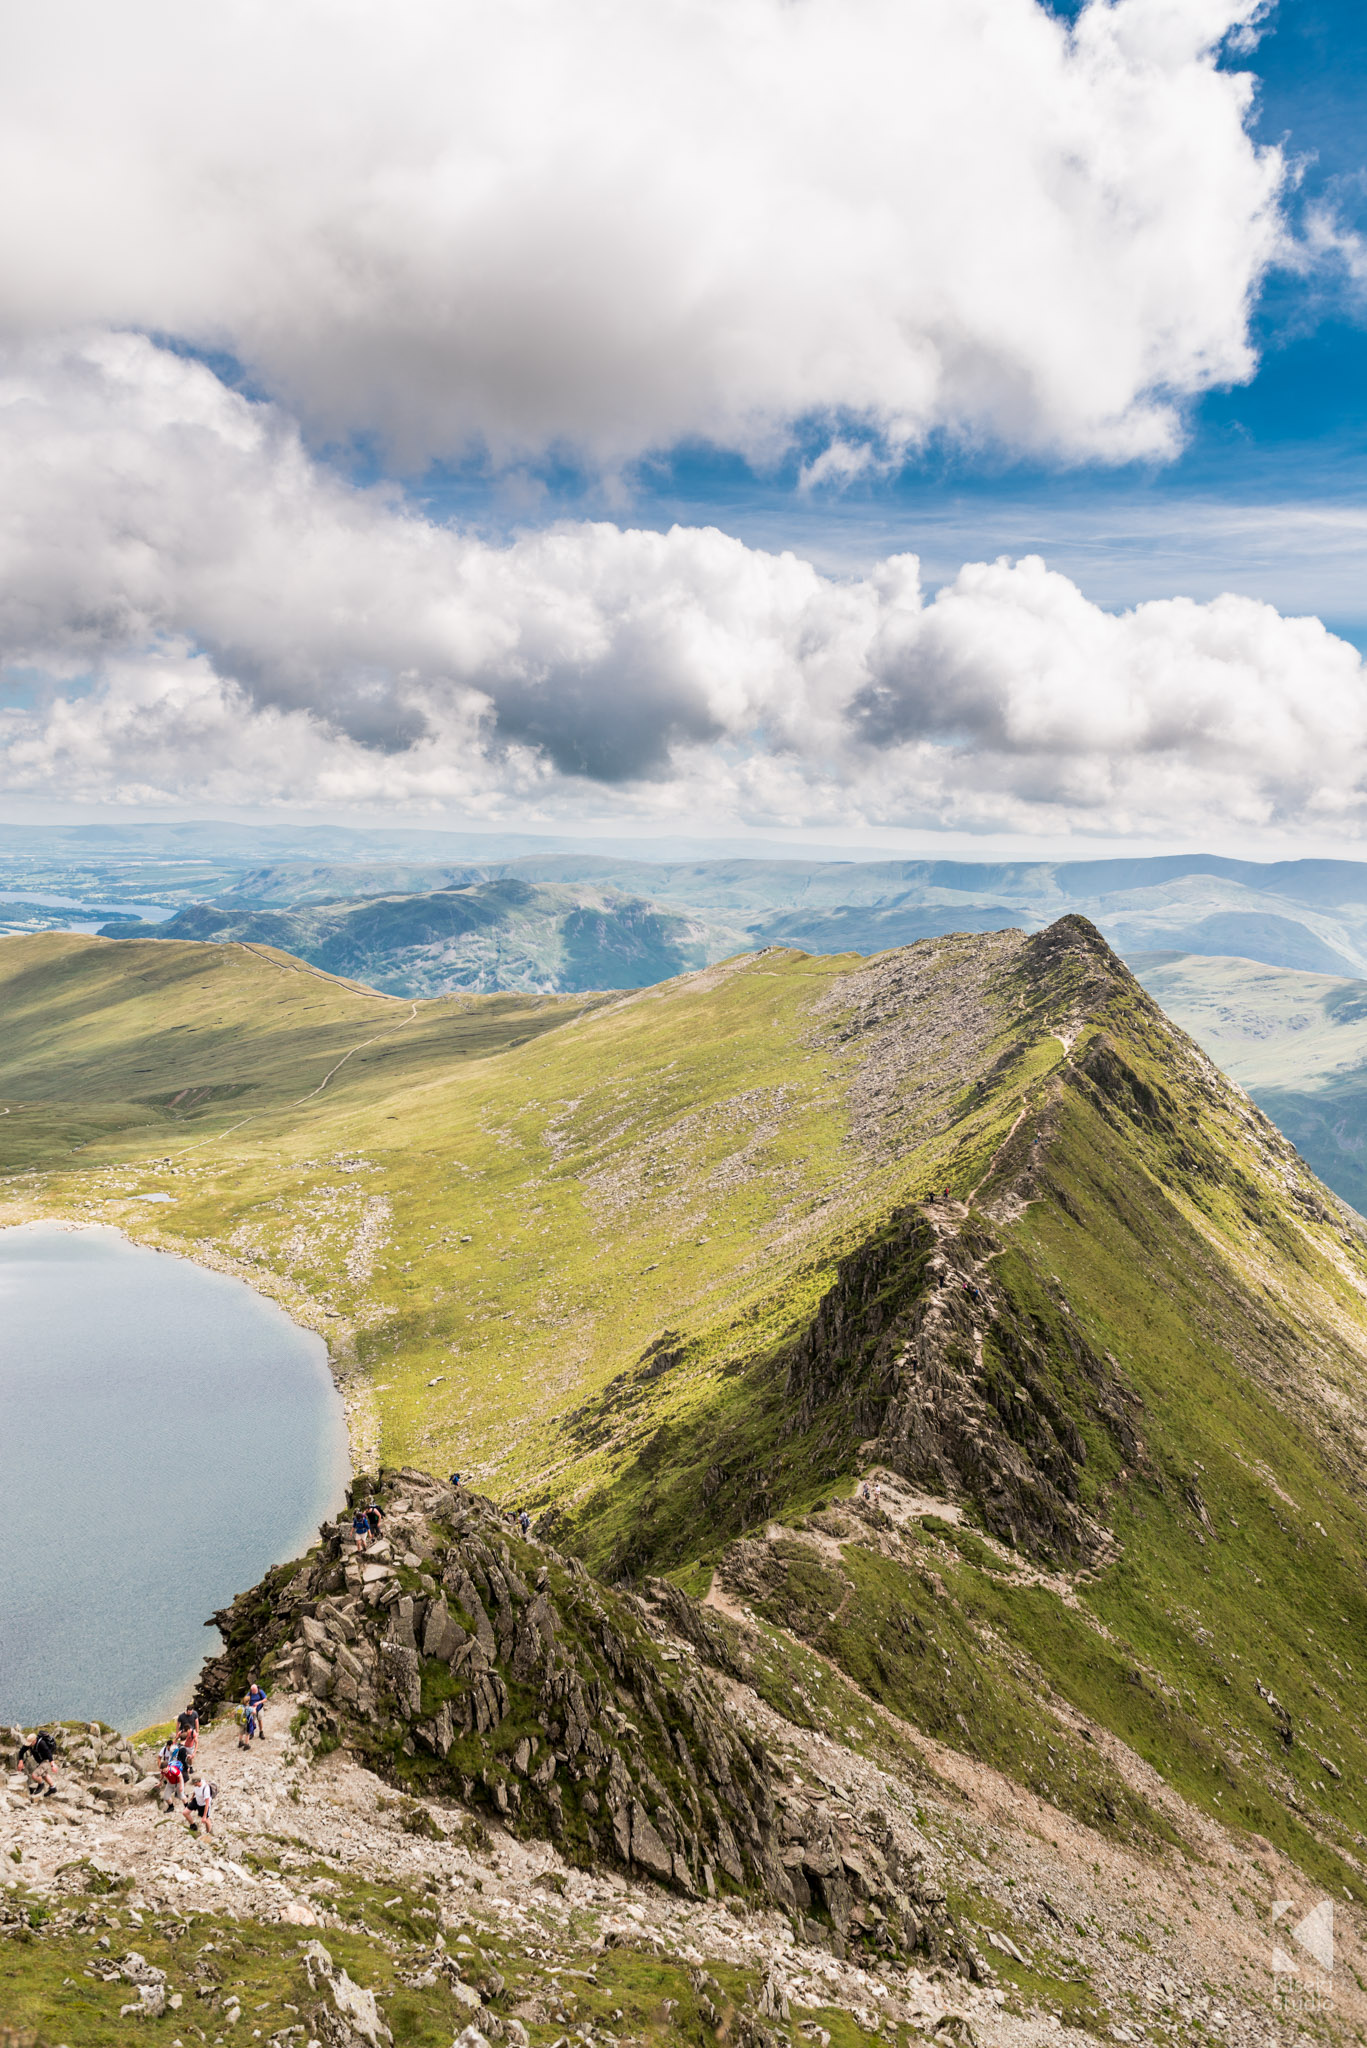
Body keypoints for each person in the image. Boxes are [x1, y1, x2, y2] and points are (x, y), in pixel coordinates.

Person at [19, 1728, 58, 1797]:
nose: (29, 1745)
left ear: (34, 1741)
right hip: (41, 1761)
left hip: (45, 1761)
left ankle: (41, 1784)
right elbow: (22, 1751)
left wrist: (52, 1765)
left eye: (30, 1743)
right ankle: (53, 1787)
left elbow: (49, 1753)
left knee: (35, 1775)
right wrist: (20, 1761)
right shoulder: (30, 1744)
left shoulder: (41, 1743)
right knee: (44, 1775)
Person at [159, 1741, 186, 1809]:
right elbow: (162, 1775)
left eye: (165, 1770)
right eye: (163, 1770)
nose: (164, 1771)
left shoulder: (173, 1770)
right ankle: (171, 1807)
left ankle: (187, 1807)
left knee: (181, 1796)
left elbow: (180, 1776)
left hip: (177, 1783)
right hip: (170, 1783)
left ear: (167, 1767)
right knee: (166, 1796)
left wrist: (181, 1786)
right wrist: (160, 1782)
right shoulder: (163, 1771)